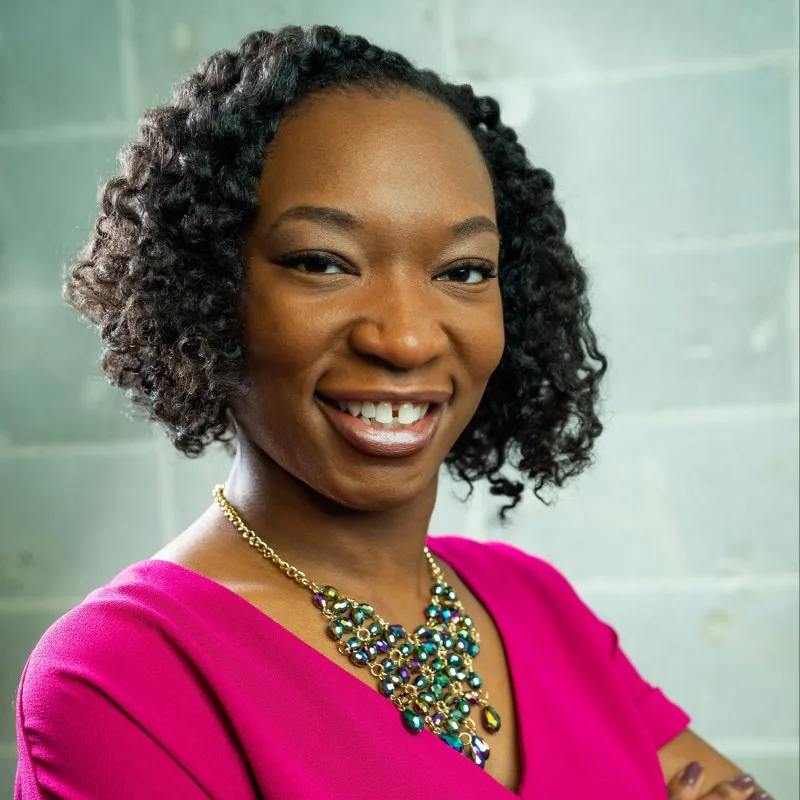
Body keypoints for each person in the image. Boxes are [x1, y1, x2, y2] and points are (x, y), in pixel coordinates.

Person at [14, 24, 771, 800]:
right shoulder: (119, 678)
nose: (407, 338)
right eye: (322, 263)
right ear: (202, 291)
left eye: (463, 271)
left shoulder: (533, 602)